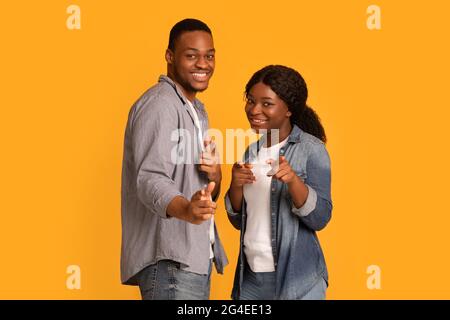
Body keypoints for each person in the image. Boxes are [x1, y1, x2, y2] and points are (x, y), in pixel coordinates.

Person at [121, 18, 228, 300]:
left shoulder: (195, 110)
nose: (203, 64)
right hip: (170, 262)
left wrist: (215, 175)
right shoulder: (161, 105)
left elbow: (200, 190)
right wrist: (186, 210)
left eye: (209, 56)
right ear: (170, 57)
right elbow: (150, 179)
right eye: (191, 55)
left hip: (193, 260)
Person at [225, 65, 332, 300]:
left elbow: (321, 216)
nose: (254, 110)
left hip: (298, 280)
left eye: (266, 103)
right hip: (251, 280)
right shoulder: (251, 152)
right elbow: (238, 220)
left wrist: (293, 181)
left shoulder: (311, 150)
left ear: (288, 110)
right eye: (251, 100)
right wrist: (235, 185)